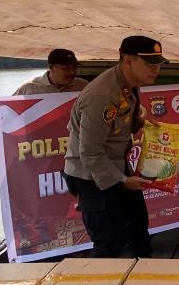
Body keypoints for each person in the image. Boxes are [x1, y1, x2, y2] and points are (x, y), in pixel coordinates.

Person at [62, 35, 168, 257]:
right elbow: (90, 153)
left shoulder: (130, 84)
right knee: (109, 244)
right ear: (127, 61)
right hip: (90, 174)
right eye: (149, 64)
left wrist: (139, 122)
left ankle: (142, 281)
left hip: (116, 162)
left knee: (138, 228)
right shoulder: (102, 95)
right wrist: (123, 181)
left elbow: (119, 127)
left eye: (158, 63)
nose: (156, 69)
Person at [0, 48, 88, 113]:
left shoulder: (83, 86)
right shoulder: (29, 88)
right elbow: (6, 115)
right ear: (51, 67)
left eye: (74, 67)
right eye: (66, 68)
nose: (72, 72)